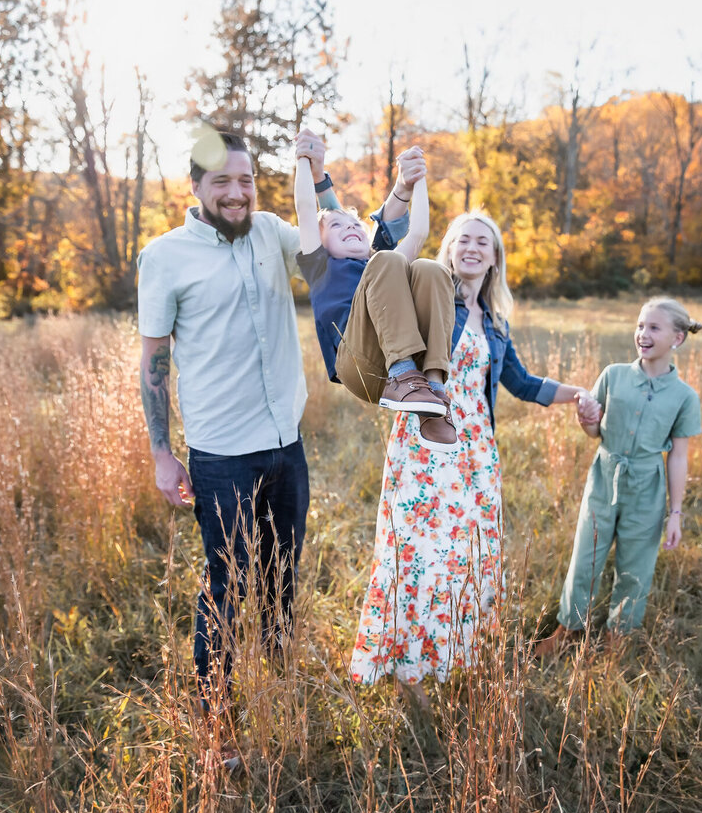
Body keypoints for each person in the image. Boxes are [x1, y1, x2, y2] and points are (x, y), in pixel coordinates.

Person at [136, 125, 409, 710]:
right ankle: (217, 718)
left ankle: (280, 689)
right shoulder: (163, 259)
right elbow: (154, 361)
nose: (237, 193)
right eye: (222, 182)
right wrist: (162, 453)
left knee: (281, 579)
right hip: (221, 455)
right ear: (195, 185)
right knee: (225, 588)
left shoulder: (271, 233)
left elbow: (346, 240)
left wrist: (320, 175)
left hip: (287, 445)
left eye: (246, 180)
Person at [348, 211, 595, 696]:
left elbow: (521, 383)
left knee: (465, 557)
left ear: (495, 257)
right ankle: (407, 675)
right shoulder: (431, 296)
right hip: (425, 442)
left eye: (483, 241)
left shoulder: (496, 322)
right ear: (450, 248)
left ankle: (450, 657)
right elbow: (387, 287)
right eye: (464, 239)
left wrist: (578, 393)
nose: (473, 247)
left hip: (477, 452)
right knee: (417, 552)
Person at [535, 297, 702, 657]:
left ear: (677, 338)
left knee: (635, 566)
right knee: (585, 558)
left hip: (648, 485)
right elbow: (594, 431)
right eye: (640, 325)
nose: (643, 334)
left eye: (654, 327)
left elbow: (678, 457)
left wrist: (675, 513)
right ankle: (568, 629)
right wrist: (588, 420)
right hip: (604, 475)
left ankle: (618, 640)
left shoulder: (684, 397)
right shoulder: (613, 375)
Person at [294, 144, 457, 451]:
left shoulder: (380, 263)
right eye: (336, 225)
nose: (351, 227)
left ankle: (434, 392)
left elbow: (419, 231)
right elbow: (305, 206)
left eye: (355, 224)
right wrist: (303, 160)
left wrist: (418, 179)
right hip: (358, 366)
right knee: (388, 259)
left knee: (430, 270)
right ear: (321, 241)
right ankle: (402, 375)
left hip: (405, 372)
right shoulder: (321, 265)